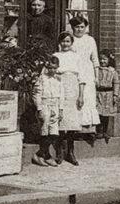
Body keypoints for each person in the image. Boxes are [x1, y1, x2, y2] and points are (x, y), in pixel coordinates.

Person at [54, 31, 87, 166]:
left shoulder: (76, 57)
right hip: (60, 86)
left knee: (72, 123)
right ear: (59, 43)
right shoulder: (55, 56)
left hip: (73, 88)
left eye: (68, 41)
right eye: (63, 41)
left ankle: (71, 152)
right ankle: (60, 152)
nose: (65, 44)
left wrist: (81, 95)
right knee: (61, 122)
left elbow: (81, 78)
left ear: (71, 43)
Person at [69, 15, 101, 134]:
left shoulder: (90, 40)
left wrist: (97, 76)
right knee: (76, 97)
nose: (80, 29)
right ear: (72, 27)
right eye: (77, 27)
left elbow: (95, 59)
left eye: (82, 27)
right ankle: (75, 126)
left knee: (88, 97)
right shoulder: (69, 39)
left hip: (88, 71)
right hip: (74, 70)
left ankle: (88, 128)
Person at [31, 55, 63, 167]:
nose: (52, 70)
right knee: (45, 130)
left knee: (54, 133)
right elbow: (36, 94)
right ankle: (45, 156)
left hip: (55, 105)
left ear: (57, 67)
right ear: (47, 67)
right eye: (50, 68)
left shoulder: (58, 79)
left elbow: (61, 95)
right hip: (45, 105)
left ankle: (40, 154)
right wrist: (39, 108)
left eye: (55, 68)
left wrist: (61, 109)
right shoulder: (42, 79)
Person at [95, 53, 119, 141]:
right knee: (98, 113)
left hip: (109, 94)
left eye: (104, 59)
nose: (102, 61)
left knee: (106, 114)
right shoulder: (97, 70)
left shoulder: (112, 71)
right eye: (100, 59)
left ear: (109, 60)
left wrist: (115, 95)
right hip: (98, 93)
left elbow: (116, 83)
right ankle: (99, 131)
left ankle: (105, 131)